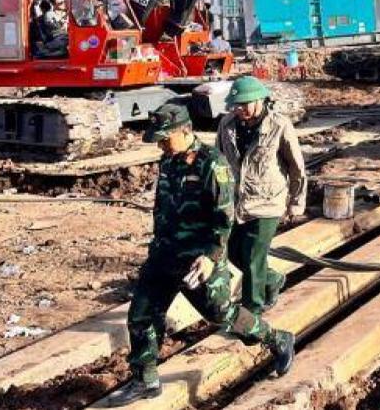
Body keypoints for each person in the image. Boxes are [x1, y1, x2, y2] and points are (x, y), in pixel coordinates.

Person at [109, 104, 293, 405]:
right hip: (164, 255)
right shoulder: (168, 161)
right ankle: (145, 379)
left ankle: (277, 338)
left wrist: (211, 258)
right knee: (141, 315)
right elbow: (162, 209)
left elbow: (224, 219)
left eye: (165, 139)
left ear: (184, 131)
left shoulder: (212, 164)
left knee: (221, 314)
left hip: (199, 260)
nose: (161, 146)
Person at [217, 77, 306, 317]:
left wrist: (296, 203)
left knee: (253, 257)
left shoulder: (279, 125)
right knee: (233, 251)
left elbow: (296, 167)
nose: (239, 110)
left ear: (260, 101)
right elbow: (219, 161)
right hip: (238, 203)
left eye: (244, 105)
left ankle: (252, 310)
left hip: (268, 202)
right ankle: (272, 279)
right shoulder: (227, 125)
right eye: (236, 105)